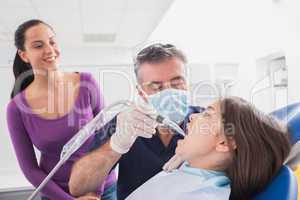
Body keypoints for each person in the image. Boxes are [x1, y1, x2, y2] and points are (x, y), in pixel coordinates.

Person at [69, 43, 204, 199]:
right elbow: (77, 187)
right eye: (156, 87)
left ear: (187, 82)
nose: (169, 92)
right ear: (141, 92)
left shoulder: (207, 121)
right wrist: (116, 144)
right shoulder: (126, 122)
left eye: (176, 83)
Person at [6, 19, 116, 200]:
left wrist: (94, 192)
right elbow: (30, 169)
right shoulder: (16, 109)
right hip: (56, 194)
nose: (49, 50)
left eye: (52, 41)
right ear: (24, 55)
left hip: (103, 190)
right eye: (38, 45)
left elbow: (107, 141)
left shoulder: (86, 83)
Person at [126, 97, 291, 200]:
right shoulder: (193, 168)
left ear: (224, 143)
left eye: (207, 114)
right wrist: (188, 163)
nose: (192, 116)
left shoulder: (203, 196)